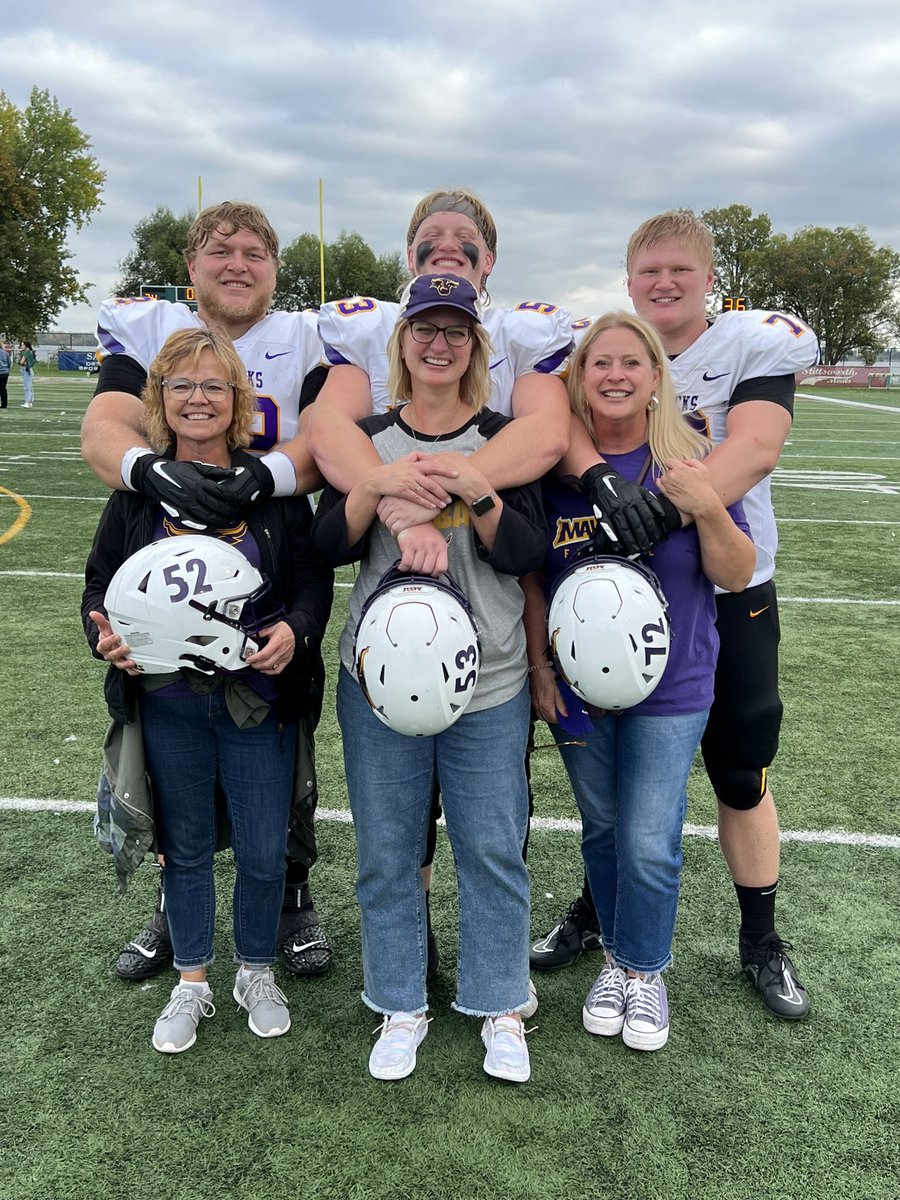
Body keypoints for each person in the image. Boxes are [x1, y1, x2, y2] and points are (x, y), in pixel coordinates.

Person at [533, 211, 816, 1020]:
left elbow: (756, 447)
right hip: (605, 593)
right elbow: (560, 438)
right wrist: (605, 487)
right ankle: (602, 916)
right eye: (649, 271)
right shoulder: (595, 354)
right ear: (628, 281)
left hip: (725, 591)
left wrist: (667, 504)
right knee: (610, 790)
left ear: (708, 279)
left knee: (736, 768)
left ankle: (760, 939)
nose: (664, 284)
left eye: (679, 272)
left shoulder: (747, 347)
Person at [81, 201, 332, 980]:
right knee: (176, 792)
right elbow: (105, 427)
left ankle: (289, 899)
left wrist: (266, 476)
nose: (238, 262)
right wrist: (152, 473)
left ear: (276, 269)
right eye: (220, 249)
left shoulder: (308, 338)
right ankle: (175, 917)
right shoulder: (149, 329)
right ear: (190, 266)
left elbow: (332, 438)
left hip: (268, 547)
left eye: (255, 251)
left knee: (281, 772)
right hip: (166, 570)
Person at [312, 275, 547, 1083]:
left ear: (475, 347)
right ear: (402, 342)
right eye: (425, 329)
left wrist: (472, 490)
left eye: (456, 331)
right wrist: (377, 492)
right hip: (378, 680)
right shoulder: (368, 438)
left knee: (490, 848)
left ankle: (499, 1003)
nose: (438, 344)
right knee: (385, 849)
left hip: (490, 681)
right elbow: (326, 548)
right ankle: (399, 1001)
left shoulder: (505, 438)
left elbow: (524, 554)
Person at [523, 312, 754, 1050]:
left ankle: (642, 969)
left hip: (675, 685)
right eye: (601, 364)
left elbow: (736, 572)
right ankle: (620, 961)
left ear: (656, 377)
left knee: (650, 839)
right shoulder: (555, 470)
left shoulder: (689, 462)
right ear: (580, 379)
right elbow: (531, 579)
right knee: (603, 829)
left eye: (632, 362)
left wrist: (707, 505)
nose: (616, 375)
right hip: (577, 688)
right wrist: (538, 666)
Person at [19, 341, 36, 407]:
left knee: (27, 387)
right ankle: (30, 402)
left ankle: (27, 402)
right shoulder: (31, 352)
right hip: (30, 370)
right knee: (30, 387)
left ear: (26, 346)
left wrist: (21, 361)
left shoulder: (26, 352)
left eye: (23, 345)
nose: (21, 346)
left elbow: (21, 362)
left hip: (26, 370)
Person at [0, 342, 11, 408]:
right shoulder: (5, 353)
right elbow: (9, 363)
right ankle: (4, 403)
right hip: (4, 372)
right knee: (3, 389)